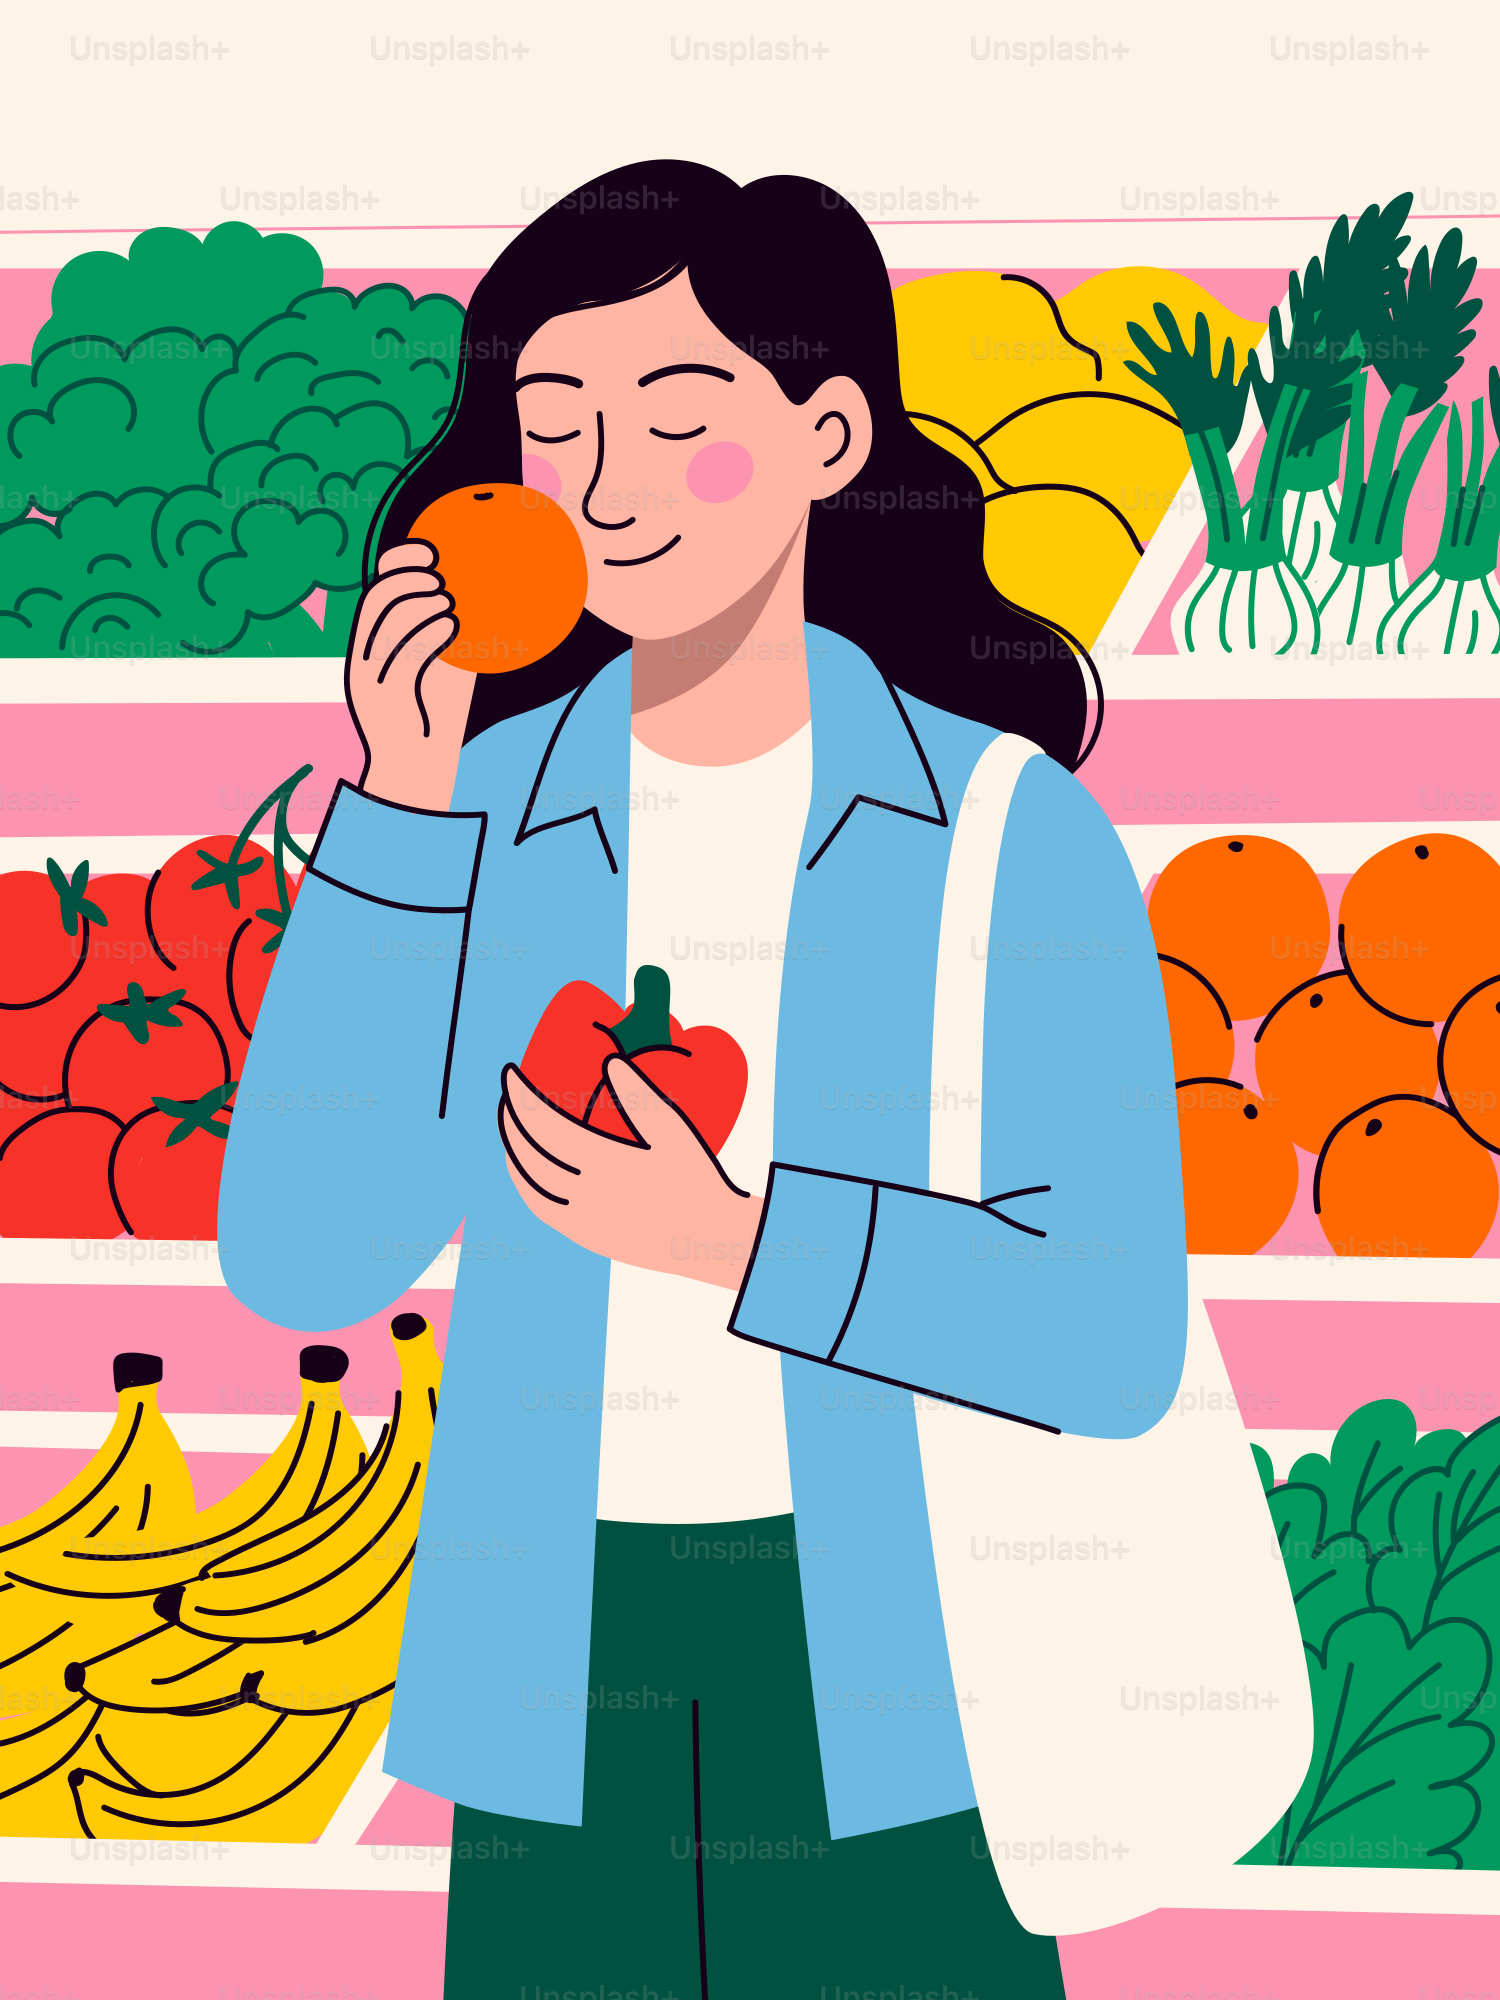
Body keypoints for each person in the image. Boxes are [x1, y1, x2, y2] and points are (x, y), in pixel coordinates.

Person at [220, 160, 1186, 1998]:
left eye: (680, 416)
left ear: (828, 435)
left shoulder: (1002, 831)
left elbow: (1112, 1332)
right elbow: (304, 1255)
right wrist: (404, 814)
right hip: (548, 1671)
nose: (608, 488)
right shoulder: (473, 812)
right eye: (554, 428)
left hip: (906, 1660)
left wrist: (738, 1238)